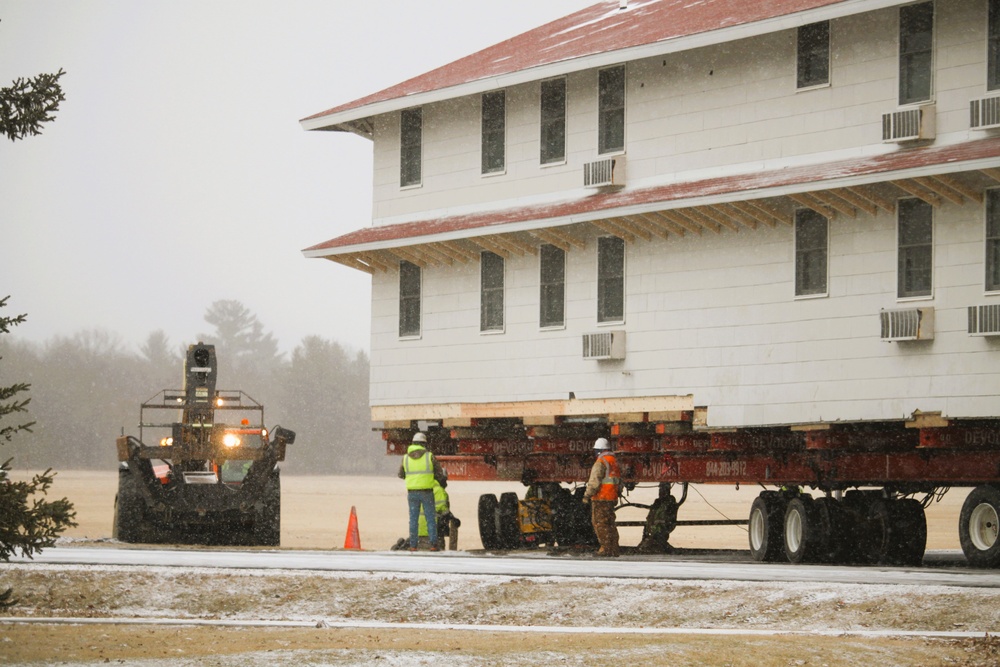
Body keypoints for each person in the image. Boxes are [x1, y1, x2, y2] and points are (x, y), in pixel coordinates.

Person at [398, 432, 447, 552]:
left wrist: (413, 480)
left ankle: (413, 546)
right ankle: (433, 545)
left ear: (413, 443)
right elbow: (439, 474)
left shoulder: (405, 458)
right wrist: (439, 482)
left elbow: (400, 474)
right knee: (430, 518)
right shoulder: (429, 456)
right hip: (427, 492)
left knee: (413, 519)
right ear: (424, 444)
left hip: (412, 493)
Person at [581, 437, 622, 557]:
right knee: (610, 523)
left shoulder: (601, 461)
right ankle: (614, 548)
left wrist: (586, 495)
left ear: (599, 450)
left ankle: (606, 548)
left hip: (601, 498)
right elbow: (619, 481)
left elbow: (595, 481)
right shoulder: (614, 461)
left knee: (600, 524)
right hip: (611, 497)